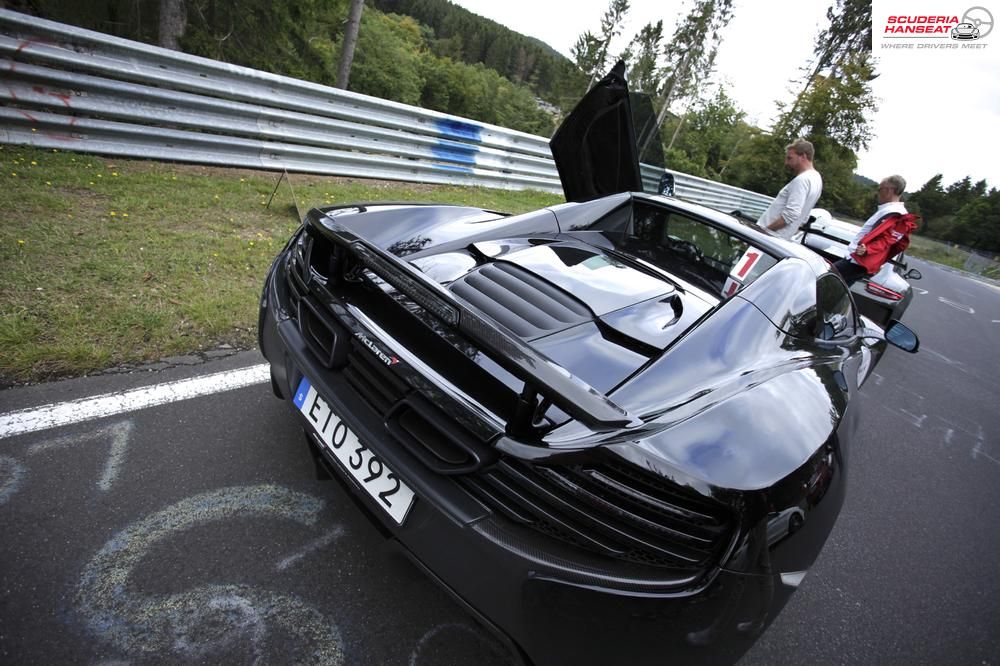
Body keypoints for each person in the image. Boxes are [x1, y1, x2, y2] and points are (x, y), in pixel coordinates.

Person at [833, 175, 910, 285]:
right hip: (857, 259)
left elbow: (888, 239)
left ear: (889, 190)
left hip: (858, 260)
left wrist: (868, 249)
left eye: (880, 189)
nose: (878, 193)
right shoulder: (891, 210)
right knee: (836, 289)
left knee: (826, 282)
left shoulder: (895, 213)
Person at [756, 138, 823, 239]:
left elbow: (791, 214)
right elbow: (804, 218)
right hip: (780, 238)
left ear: (803, 156)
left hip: (769, 237)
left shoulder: (802, 180)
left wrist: (763, 231)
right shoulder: (816, 179)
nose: (786, 163)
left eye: (790, 158)